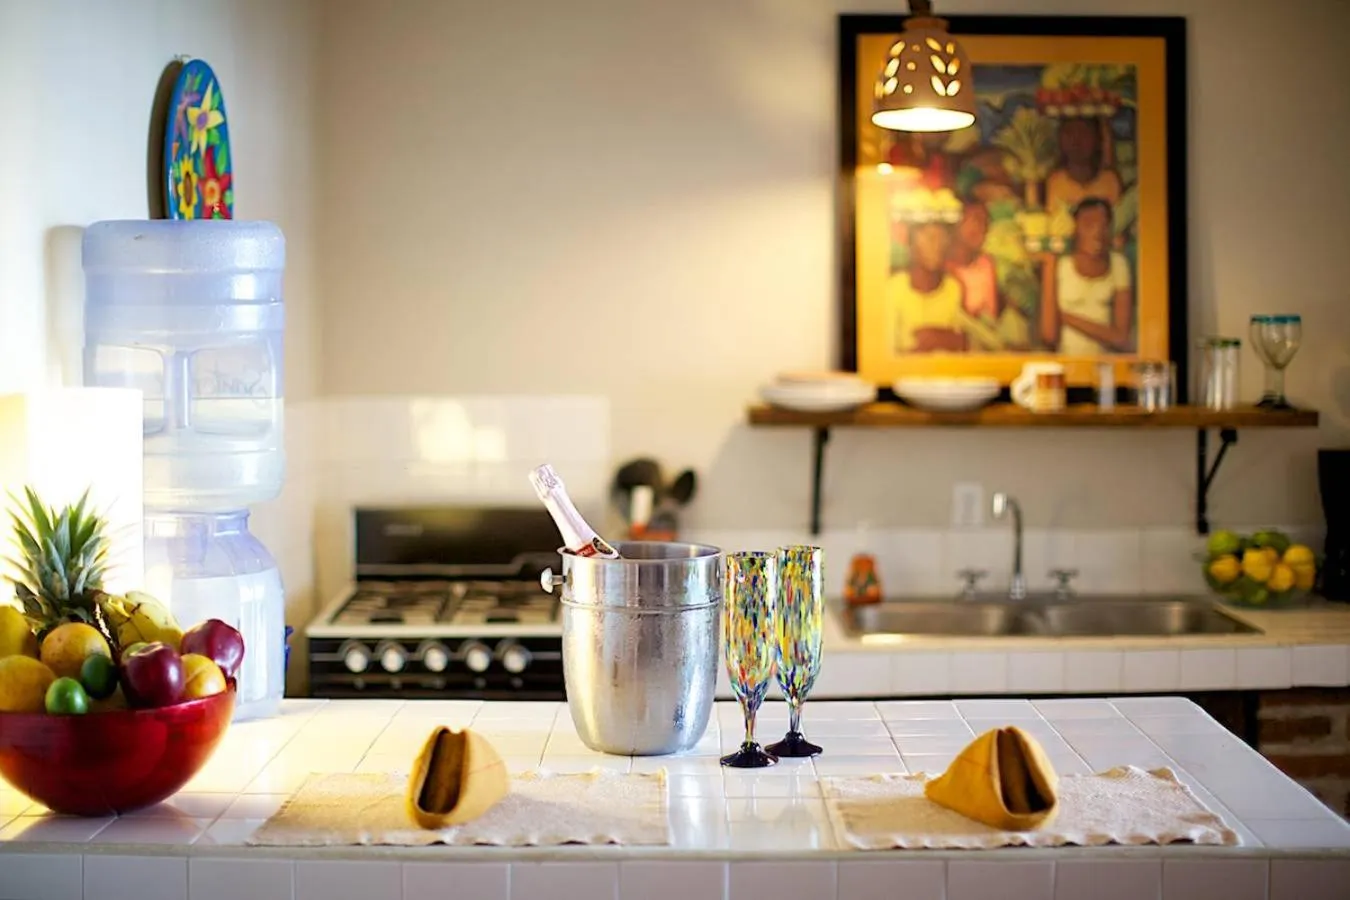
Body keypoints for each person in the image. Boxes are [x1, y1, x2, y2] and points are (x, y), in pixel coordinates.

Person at [1038, 197, 1133, 355]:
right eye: (1088, 225)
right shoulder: (1060, 265)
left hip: (1106, 366)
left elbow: (1121, 338)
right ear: (1075, 229)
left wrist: (1065, 318)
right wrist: (1049, 265)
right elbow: (1049, 336)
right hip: (1068, 363)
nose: (1097, 234)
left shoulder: (1118, 265)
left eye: (1103, 226)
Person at [889, 221, 966, 353]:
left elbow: (962, 342)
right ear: (911, 244)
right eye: (929, 237)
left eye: (942, 238)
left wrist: (943, 338)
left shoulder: (953, 288)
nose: (937, 246)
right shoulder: (894, 288)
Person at [1044, 117, 1121, 215]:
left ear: (1098, 139)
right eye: (1070, 133)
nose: (1076, 141)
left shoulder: (1110, 181)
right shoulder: (1054, 181)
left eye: (1084, 133)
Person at [946, 202, 999, 321]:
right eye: (976, 219)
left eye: (986, 222)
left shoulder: (986, 264)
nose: (983, 228)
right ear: (957, 224)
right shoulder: (942, 267)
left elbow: (990, 316)